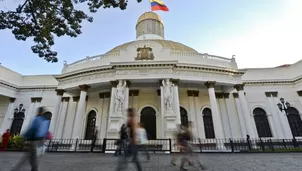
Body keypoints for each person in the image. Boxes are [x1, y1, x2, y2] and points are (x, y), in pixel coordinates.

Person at [11, 107, 50, 171]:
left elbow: (32, 129)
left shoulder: (37, 119)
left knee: (31, 157)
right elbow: (46, 132)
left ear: (39, 112)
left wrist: (25, 137)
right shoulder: (45, 121)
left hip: (34, 141)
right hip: (41, 141)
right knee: (32, 156)